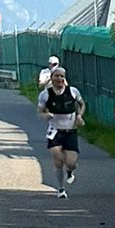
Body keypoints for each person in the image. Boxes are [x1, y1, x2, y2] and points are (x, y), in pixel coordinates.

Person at [36, 64, 85, 196]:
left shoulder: (73, 91)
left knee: (71, 163)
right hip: (55, 131)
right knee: (58, 160)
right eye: (57, 76)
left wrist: (79, 116)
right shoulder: (45, 95)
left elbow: (82, 104)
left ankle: (70, 170)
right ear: (51, 78)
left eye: (62, 76)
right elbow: (40, 112)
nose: (59, 79)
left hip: (70, 131)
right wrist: (45, 115)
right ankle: (61, 189)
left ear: (65, 78)